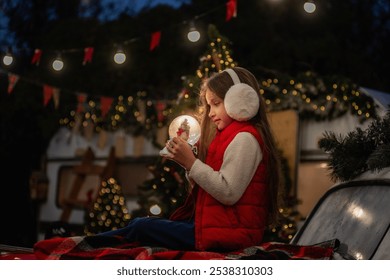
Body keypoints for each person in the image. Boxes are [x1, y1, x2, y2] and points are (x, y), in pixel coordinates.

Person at [99, 67, 283, 251]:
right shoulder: (227, 137)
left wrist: (192, 163)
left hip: (229, 234)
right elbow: (210, 188)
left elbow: (228, 192)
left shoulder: (245, 138)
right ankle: (90, 243)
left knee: (141, 227)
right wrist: (187, 164)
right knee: (141, 226)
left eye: (216, 103)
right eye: (209, 106)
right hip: (218, 229)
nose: (210, 113)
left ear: (239, 100)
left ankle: (88, 245)